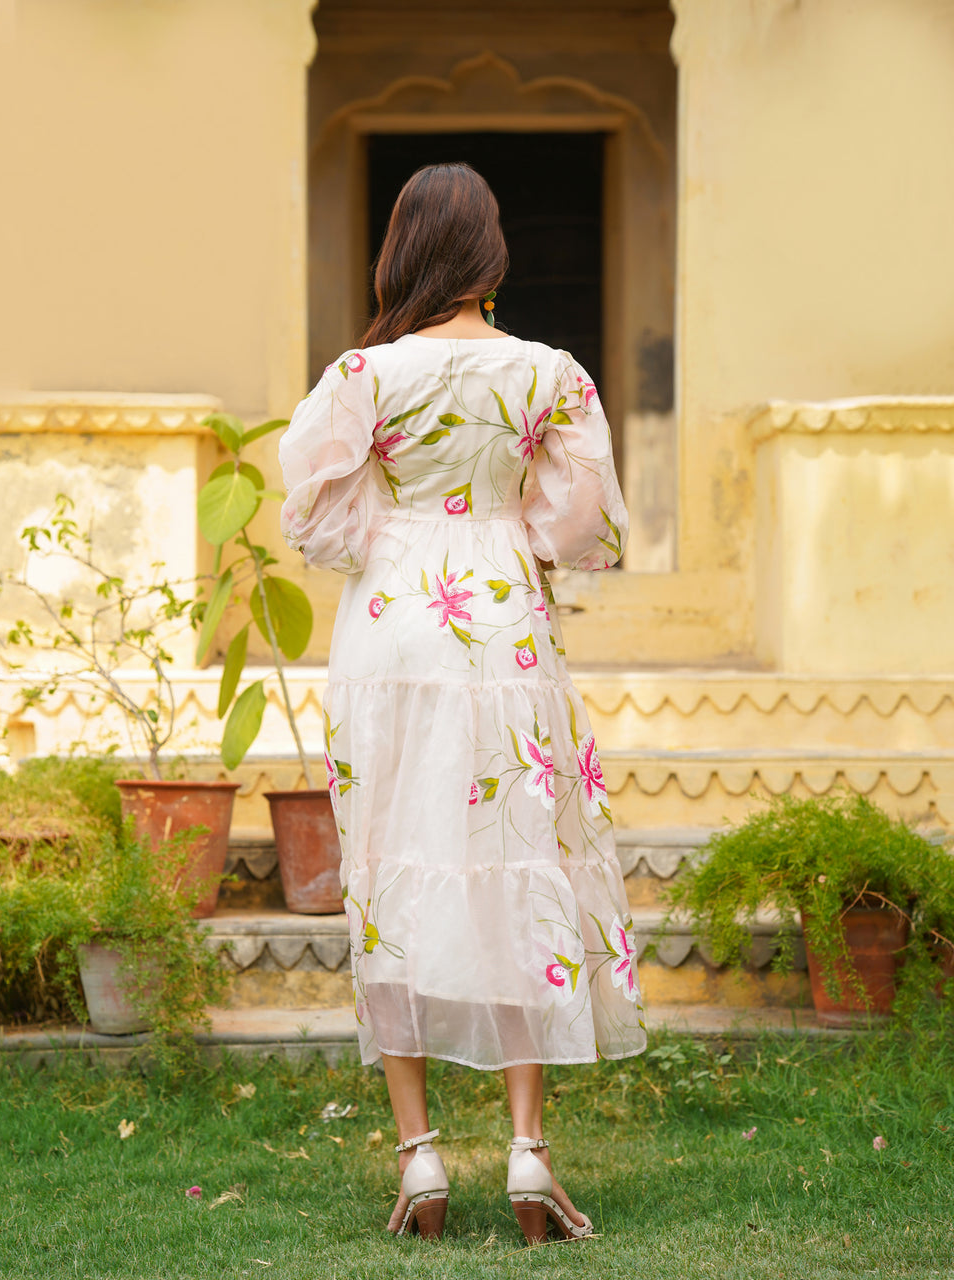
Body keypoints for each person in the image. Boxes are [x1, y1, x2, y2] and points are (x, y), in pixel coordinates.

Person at [279, 162, 646, 1246]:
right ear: (490, 253)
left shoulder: (362, 373)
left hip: (394, 618)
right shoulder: (550, 373)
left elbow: (314, 513)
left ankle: (421, 1154)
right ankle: (529, 1150)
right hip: (500, 616)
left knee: (392, 862)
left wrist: (394, 534)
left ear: (402, 251)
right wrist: (507, 528)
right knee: (518, 851)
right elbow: (583, 522)